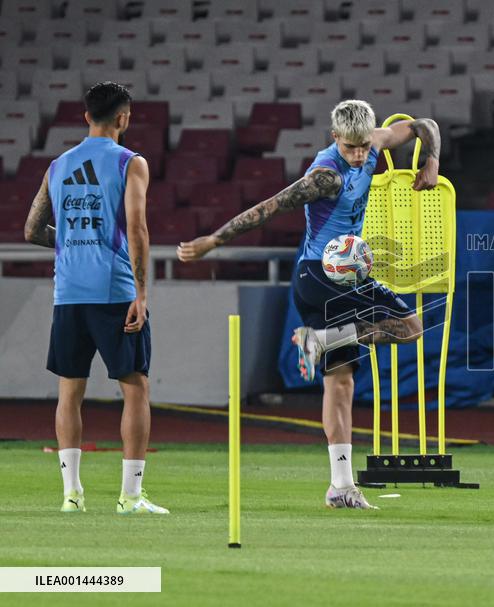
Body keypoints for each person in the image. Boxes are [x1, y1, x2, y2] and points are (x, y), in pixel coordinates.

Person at [177, 100, 441, 510]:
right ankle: (319, 339)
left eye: (362, 147)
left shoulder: (373, 143)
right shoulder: (325, 175)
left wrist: (431, 162)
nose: (357, 155)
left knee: (341, 384)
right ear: (335, 138)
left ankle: (340, 486)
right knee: (412, 327)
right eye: (349, 147)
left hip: (333, 275)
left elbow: (422, 123)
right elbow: (269, 207)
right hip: (323, 274)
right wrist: (215, 240)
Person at [24, 81, 166, 515]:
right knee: (136, 389)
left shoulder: (57, 165)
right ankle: (131, 497)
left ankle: (71, 495)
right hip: (114, 290)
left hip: (67, 292)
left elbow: (31, 230)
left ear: (86, 116)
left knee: (70, 392)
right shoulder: (130, 162)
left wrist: (71, 243)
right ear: (124, 118)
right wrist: (141, 293)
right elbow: (137, 227)